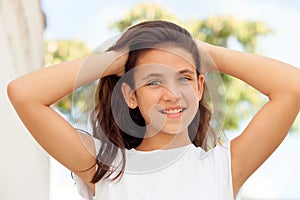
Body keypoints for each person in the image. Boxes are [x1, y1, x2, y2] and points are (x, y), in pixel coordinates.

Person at [7, 20, 300, 200]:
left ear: (199, 87)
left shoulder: (224, 167)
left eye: (184, 78)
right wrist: (116, 59)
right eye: (154, 81)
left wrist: (200, 50)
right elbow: (24, 94)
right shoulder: (105, 168)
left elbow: (292, 86)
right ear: (131, 95)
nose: (172, 94)